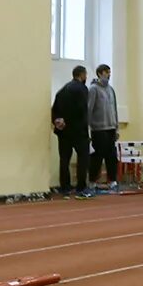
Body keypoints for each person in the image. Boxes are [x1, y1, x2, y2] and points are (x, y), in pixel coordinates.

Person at [50, 66, 91, 198]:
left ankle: (65, 188)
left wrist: (59, 122)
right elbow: (83, 110)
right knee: (83, 159)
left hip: (63, 131)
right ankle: (81, 188)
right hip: (78, 130)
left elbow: (54, 109)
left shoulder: (62, 90)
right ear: (82, 75)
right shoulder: (82, 89)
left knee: (64, 159)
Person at [88, 64, 120, 191]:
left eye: (110, 72)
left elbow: (115, 109)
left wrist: (116, 128)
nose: (109, 75)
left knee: (111, 156)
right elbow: (89, 109)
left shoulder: (111, 90)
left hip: (111, 128)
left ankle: (112, 180)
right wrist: (88, 129)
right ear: (100, 73)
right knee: (97, 157)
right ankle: (92, 181)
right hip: (98, 129)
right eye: (107, 72)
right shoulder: (93, 89)